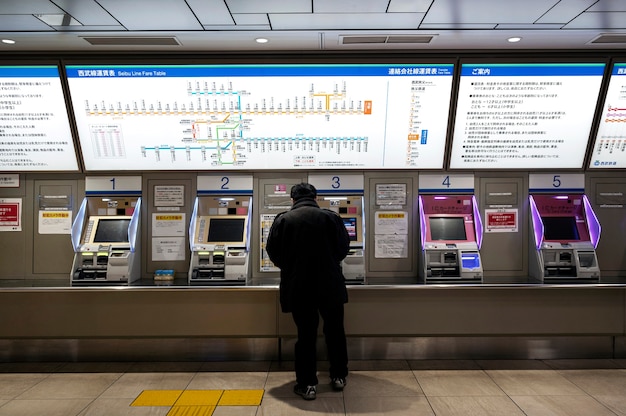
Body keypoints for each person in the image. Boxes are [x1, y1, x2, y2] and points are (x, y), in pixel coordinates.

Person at [266, 182, 350, 400]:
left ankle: (307, 384)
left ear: (292, 199)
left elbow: (273, 252)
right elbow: (343, 248)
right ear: (315, 197)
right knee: (335, 331)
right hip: (330, 285)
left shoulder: (283, 219)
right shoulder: (331, 218)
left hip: (299, 287)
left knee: (306, 335)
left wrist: (293, 267)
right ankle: (339, 376)